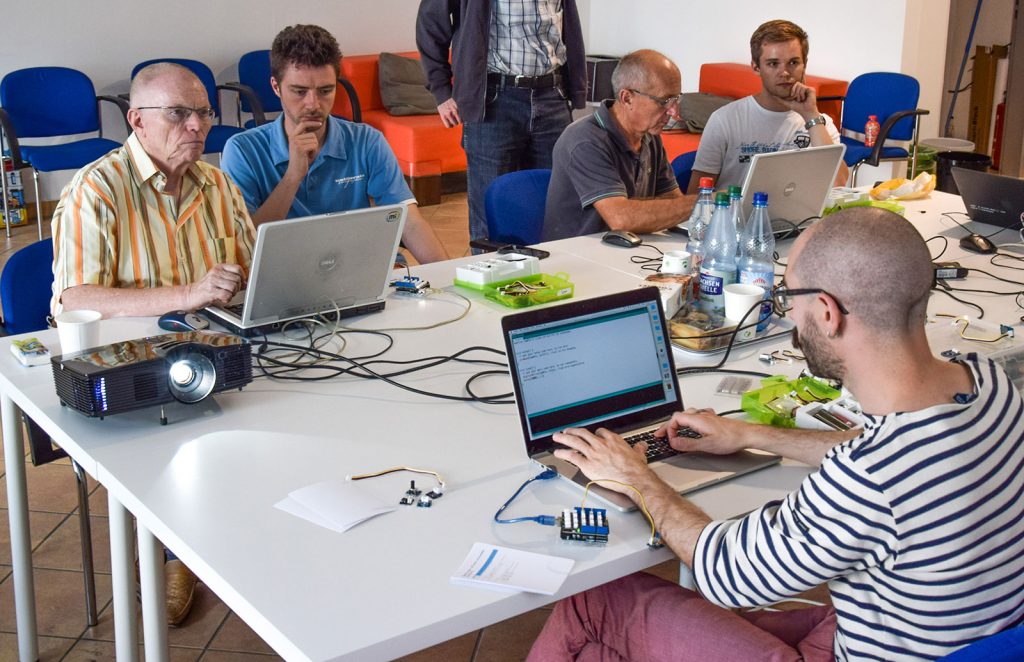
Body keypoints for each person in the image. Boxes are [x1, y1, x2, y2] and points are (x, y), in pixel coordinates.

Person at [528, 207, 1024, 661]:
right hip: (945, 636)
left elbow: (724, 572)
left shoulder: (868, 478)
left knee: (593, 605)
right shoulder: (988, 383)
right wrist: (749, 434)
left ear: (827, 313)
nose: (786, 313)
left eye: (788, 297)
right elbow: (887, 453)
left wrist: (636, 476)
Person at [51, 62, 258, 626]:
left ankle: (247, 520)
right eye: (179, 114)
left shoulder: (218, 185)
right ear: (137, 120)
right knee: (181, 430)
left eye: (204, 113)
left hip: (218, 349)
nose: (197, 125)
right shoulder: (96, 189)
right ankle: (173, 549)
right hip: (138, 366)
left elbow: (251, 265)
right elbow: (74, 299)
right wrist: (189, 294)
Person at [221, 24, 448, 264]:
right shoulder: (242, 150)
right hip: (287, 269)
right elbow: (246, 242)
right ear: (276, 87)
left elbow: (409, 222)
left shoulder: (367, 140)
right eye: (299, 91)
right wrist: (293, 176)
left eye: (325, 91)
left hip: (358, 264)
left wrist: (449, 277)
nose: (313, 104)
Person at [416, 0, 587, 248]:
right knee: (490, 216)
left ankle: (548, 271)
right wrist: (441, 90)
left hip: (553, 95)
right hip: (494, 99)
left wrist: (574, 87)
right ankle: (490, 273)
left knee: (556, 206)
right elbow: (430, 24)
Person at [542, 50, 695, 241]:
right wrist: (704, 203)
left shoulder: (650, 137)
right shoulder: (585, 140)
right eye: (664, 101)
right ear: (627, 98)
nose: (674, 111)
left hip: (631, 249)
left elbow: (674, 204)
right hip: (579, 254)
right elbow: (621, 219)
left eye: (676, 99)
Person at [688, 19, 849, 193]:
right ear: (756, 67)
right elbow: (695, 196)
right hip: (738, 210)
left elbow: (838, 184)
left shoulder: (820, 122)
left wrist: (810, 115)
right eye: (773, 64)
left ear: (804, 65)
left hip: (799, 210)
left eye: (793, 63)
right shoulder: (725, 119)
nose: (784, 72)